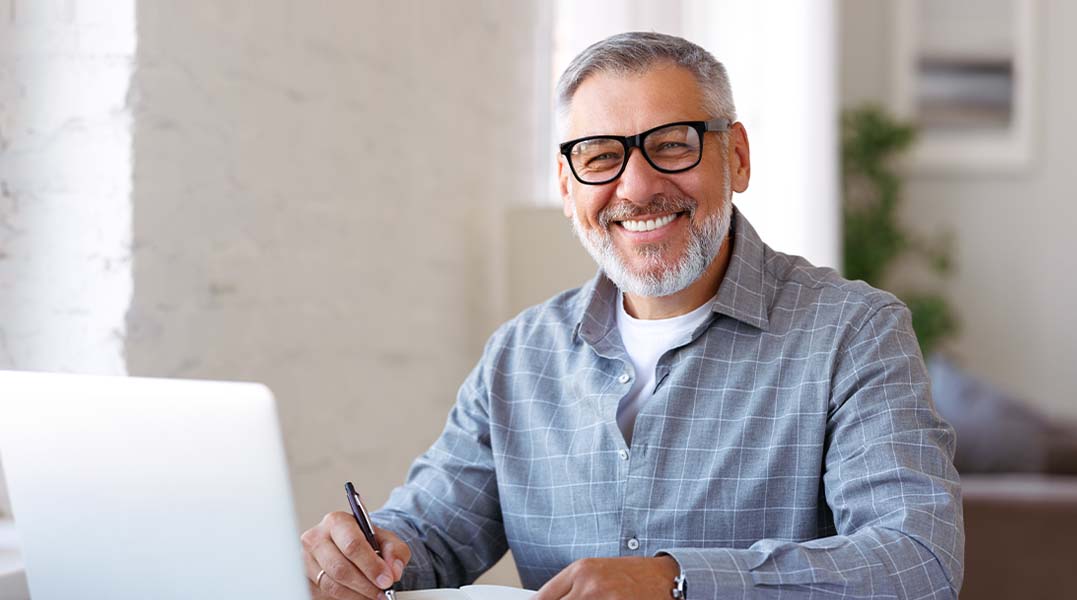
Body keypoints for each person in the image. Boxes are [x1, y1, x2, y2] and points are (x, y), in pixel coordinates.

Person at [301, 32, 964, 600]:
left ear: (735, 155)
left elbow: (918, 562)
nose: (638, 186)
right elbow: (432, 535)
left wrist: (677, 582)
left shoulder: (855, 332)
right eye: (600, 156)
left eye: (671, 144)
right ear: (567, 187)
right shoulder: (520, 356)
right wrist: (364, 556)